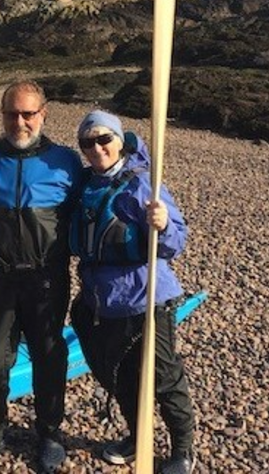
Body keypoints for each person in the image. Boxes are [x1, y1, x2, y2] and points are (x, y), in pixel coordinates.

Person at [0, 80, 82, 473]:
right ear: (2, 115)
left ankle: (50, 435)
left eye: (28, 114)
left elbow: (87, 216)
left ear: (43, 114)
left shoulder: (66, 162)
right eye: (11, 114)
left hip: (46, 281)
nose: (19, 122)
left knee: (49, 358)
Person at [68, 110, 197, 474]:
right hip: (101, 300)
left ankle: (183, 450)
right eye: (87, 142)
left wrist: (164, 223)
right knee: (119, 376)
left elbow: (175, 242)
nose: (96, 148)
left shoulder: (143, 185)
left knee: (164, 376)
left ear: (119, 140)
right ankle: (136, 436)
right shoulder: (86, 186)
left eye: (103, 139)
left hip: (146, 299)